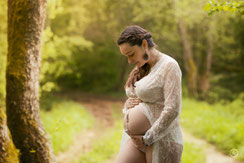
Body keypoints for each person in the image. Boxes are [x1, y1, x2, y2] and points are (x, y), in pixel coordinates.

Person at [116, 25, 184, 163]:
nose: (129, 61)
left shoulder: (169, 65)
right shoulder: (142, 66)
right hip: (138, 141)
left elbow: (172, 109)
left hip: (161, 139)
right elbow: (140, 97)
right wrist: (128, 104)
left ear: (144, 44)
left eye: (131, 54)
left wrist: (148, 138)